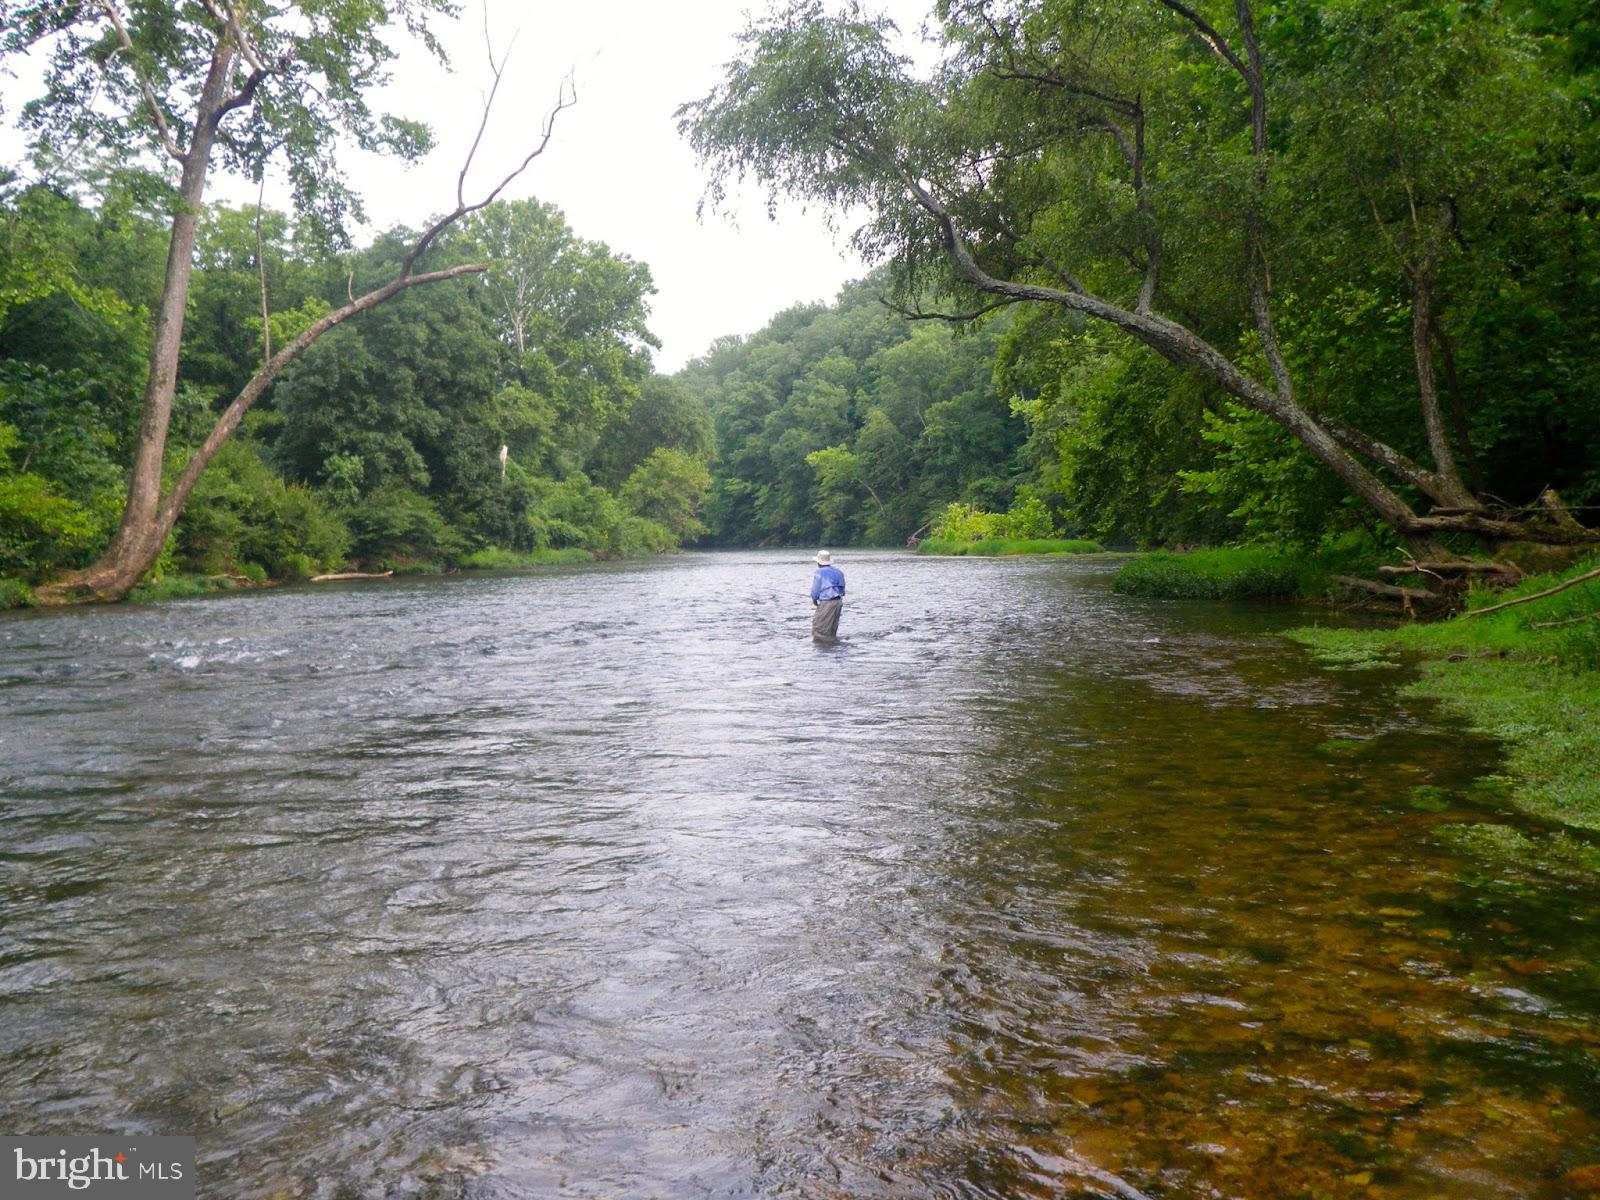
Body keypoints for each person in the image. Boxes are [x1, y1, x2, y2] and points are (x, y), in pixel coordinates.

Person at [810, 549, 845, 641]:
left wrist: (814, 599)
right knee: (832, 627)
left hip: (827, 602)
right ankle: (832, 647)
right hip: (838, 602)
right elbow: (842, 589)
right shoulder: (838, 572)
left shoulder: (819, 572)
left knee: (819, 628)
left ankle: (824, 650)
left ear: (818, 562)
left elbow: (815, 590)